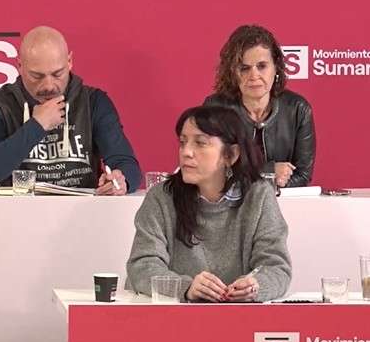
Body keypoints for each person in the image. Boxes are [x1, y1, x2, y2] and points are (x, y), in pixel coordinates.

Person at [126, 105, 291, 302]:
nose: (186, 152)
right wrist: (185, 288)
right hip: (175, 315)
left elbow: (276, 267)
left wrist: (256, 286)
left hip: (240, 316)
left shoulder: (259, 195)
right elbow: (142, 266)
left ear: (231, 155)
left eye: (200, 143)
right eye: (183, 142)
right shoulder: (161, 196)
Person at [0, 26, 140, 194]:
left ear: (69, 62)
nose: (49, 86)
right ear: (19, 66)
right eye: (37, 76)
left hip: (82, 208)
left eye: (57, 74)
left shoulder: (93, 102)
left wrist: (121, 180)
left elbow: (126, 164)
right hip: (16, 208)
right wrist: (37, 126)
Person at [203, 24, 315, 187]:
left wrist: (263, 186)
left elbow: (303, 175)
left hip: (282, 200)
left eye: (262, 66)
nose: (254, 75)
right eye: (244, 68)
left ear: (276, 68)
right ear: (233, 72)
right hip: (231, 201)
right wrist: (268, 171)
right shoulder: (215, 108)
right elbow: (210, 168)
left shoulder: (298, 109)